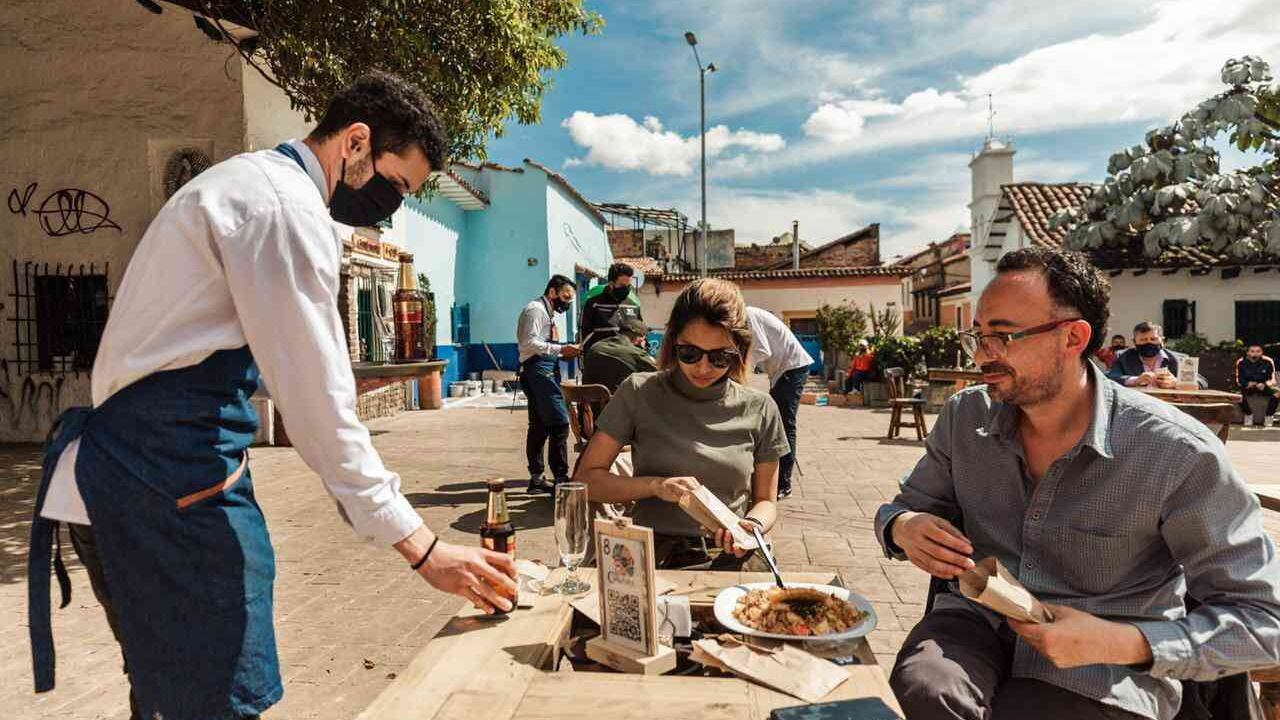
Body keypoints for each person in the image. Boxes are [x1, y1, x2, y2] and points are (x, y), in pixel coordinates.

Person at [26, 72, 519, 720]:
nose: (392, 208)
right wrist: (423, 548)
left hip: (126, 480)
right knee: (214, 703)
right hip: (167, 489)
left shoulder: (241, 183)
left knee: (165, 695)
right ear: (357, 142)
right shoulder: (285, 211)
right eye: (397, 185)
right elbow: (321, 417)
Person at [877, 246, 1280, 720]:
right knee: (925, 688)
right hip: (976, 625)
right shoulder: (966, 417)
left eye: (1003, 336)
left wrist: (1124, 641)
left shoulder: (1177, 453)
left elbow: (1264, 625)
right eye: (978, 336)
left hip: (1105, 670)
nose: (983, 355)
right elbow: (904, 506)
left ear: (1073, 337)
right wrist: (903, 526)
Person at [575, 279, 791, 570]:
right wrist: (655, 486)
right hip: (651, 552)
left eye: (719, 358)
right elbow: (587, 480)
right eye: (689, 353)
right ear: (672, 342)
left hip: (728, 553)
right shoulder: (639, 392)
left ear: (738, 351)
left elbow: (766, 501)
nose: (703, 368)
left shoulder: (761, 408)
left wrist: (751, 525)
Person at [517, 274, 581, 495]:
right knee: (559, 423)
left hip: (543, 368)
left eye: (570, 299)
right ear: (552, 292)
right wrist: (561, 349)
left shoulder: (547, 312)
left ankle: (536, 479)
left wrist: (560, 352)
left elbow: (542, 343)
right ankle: (561, 478)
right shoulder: (536, 309)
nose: (567, 302)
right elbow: (529, 342)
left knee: (539, 426)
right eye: (565, 296)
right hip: (538, 371)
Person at [745, 306, 814, 499]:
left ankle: (784, 484)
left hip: (793, 368)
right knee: (776, 426)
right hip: (782, 372)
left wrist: (742, 372)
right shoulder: (746, 317)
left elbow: (761, 350)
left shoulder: (748, 315)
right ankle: (774, 481)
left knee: (784, 426)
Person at [581, 316, 657, 396]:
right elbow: (658, 372)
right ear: (640, 338)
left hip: (587, 405)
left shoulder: (595, 347)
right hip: (615, 406)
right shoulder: (634, 353)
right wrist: (644, 351)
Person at [579, 261, 643, 352]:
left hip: (628, 362)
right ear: (611, 284)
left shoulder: (634, 306)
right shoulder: (593, 304)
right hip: (601, 361)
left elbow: (641, 333)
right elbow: (584, 338)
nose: (626, 289)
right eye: (622, 286)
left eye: (628, 286)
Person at [1107, 322, 1179, 388]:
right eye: (1143, 340)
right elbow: (1111, 378)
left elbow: (1187, 382)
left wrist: (1176, 382)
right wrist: (1135, 380)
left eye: (1153, 339)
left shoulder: (1177, 359)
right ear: (1134, 342)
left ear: (1162, 341)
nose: (1149, 343)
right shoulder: (1122, 357)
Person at [1237, 343, 1279, 426]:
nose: (1255, 353)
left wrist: (1265, 384)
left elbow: (1272, 378)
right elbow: (1239, 378)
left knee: (1277, 394)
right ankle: (1248, 414)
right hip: (1248, 386)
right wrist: (1246, 384)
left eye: (1258, 351)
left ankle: (1269, 416)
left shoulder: (1268, 362)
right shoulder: (1241, 362)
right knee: (1237, 396)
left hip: (1263, 386)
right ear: (1248, 353)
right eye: (1252, 351)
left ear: (1261, 352)